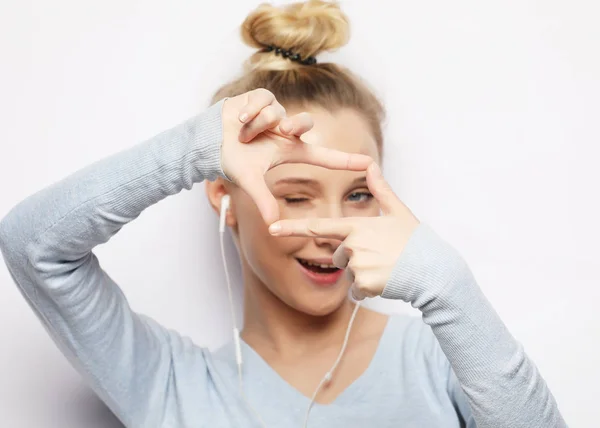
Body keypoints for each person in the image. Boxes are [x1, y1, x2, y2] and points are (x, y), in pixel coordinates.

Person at [0, 1, 566, 427]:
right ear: (224, 196)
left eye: (358, 195)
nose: (331, 231)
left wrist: (450, 289)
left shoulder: (441, 358)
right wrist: (188, 153)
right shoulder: (170, 384)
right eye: (295, 196)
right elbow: (34, 245)